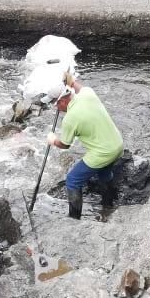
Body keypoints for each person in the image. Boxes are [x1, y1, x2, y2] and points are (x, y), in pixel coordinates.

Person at [46, 70, 124, 219]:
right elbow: (77, 86)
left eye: (55, 104)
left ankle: (74, 219)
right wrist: (71, 81)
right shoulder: (88, 94)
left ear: (62, 101)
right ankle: (109, 206)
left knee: (73, 180)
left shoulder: (70, 118)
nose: (56, 108)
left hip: (102, 153)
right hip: (117, 145)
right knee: (104, 174)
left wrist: (53, 140)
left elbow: (65, 144)